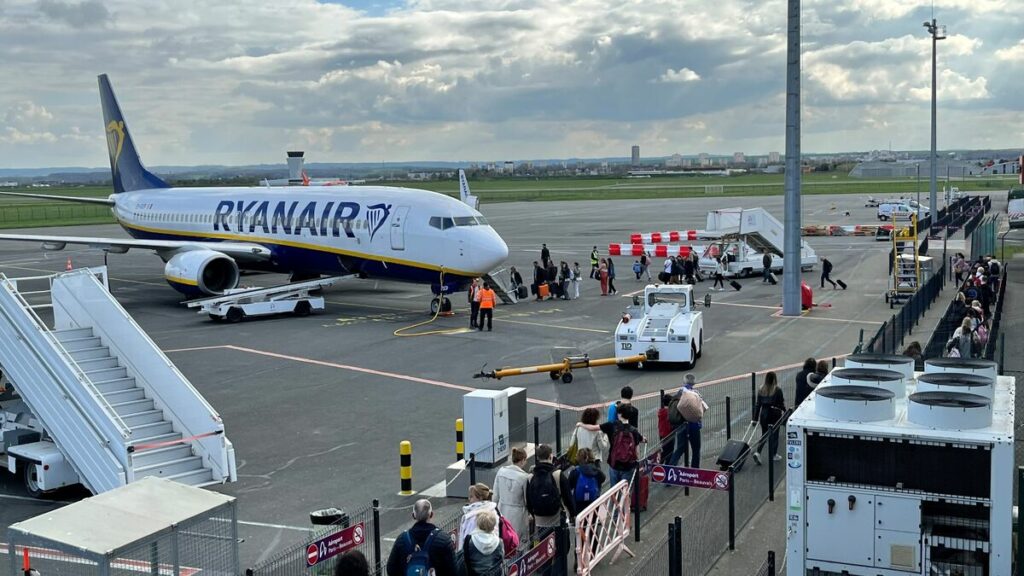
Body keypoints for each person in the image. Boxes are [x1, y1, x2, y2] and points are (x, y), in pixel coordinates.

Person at [386, 499, 457, 576]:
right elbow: (453, 570)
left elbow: (391, 569)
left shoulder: (402, 540)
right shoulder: (444, 539)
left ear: (413, 515)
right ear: (431, 514)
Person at [591, 407, 645, 487]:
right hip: (628, 466)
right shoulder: (633, 431)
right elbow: (637, 452)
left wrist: (581, 425)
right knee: (626, 492)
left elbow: (593, 428)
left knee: (613, 490)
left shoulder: (612, 425)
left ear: (619, 415)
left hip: (614, 464)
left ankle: (615, 499)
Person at [526, 444, 570, 530]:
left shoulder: (530, 477)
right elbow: (567, 497)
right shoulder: (557, 474)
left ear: (538, 458)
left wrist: (534, 514)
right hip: (557, 518)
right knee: (560, 542)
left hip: (539, 521)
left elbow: (529, 500)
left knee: (542, 542)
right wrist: (572, 514)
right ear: (551, 456)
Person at [493, 447, 530, 542]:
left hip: (502, 510)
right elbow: (527, 500)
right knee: (516, 540)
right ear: (523, 460)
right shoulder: (524, 477)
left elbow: (495, 495)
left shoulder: (501, 471)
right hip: (518, 513)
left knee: (503, 537)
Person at [667, 374, 704, 468]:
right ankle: (694, 472)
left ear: (684, 381)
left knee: (679, 449)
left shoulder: (679, 392)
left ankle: (670, 471)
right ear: (694, 382)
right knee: (696, 450)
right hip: (694, 425)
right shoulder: (696, 393)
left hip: (681, 425)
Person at [751, 371, 786, 465]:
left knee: (764, 434)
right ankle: (774, 454)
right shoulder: (777, 390)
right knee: (775, 435)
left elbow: (758, 405)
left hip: (764, 414)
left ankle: (758, 452)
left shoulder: (761, 389)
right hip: (774, 414)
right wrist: (786, 412)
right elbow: (781, 403)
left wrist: (755, 418)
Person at [564, 448, 605, 522]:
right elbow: (603, 479)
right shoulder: (596, 471)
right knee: (592, 525)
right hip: (594, 501)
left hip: (579, 504)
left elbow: (569, 486)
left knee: (581, 526)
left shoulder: (575, 471)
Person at [462, 510, 505, 576]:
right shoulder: (499, 542)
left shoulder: (469, 539)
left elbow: (466, 558)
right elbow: (500, 558)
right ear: (493, 525)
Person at [457, 484, 498, 552]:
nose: (469, 498)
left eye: (471, 496)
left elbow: (467, 537)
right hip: (492, 548)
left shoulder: (472, 517)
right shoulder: (493, 510)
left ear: (480, 498)